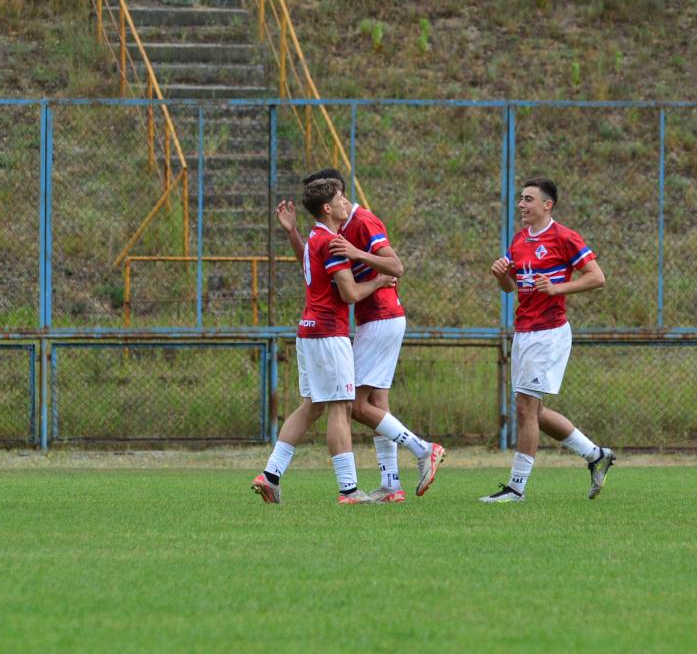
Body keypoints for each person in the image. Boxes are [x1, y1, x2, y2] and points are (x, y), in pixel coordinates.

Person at [275, 169, 445, 503]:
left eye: (336, 194)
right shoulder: (332, 229)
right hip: (371, 319)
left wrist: (357, 254)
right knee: (376, 404)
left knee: (352, 405)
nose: (340, 200)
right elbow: (312, 264)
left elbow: (395, 267)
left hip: (382, 316)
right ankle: (391, 484)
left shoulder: (362, 221)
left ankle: (424, 449)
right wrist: (293, 232)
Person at [250, 177, 396, 505]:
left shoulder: (315, 237)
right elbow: (350, 293)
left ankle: (270, 475)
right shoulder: (331, 242)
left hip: (308, 330)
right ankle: (349, 490)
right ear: (328, 208)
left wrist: (291, 231)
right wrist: (378, 282)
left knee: (312, 405)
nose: (347, 203)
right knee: (341, 406)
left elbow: (310, 267)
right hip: (329, 333)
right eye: (341, 198)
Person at [482, 178, 612, 503]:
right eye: (521, 199)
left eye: (528, 199)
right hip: (524, 332)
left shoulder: (564, 237)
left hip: (549, 332)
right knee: (533, 411)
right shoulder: (520, 239)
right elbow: (511, 288)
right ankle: (595, 454)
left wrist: (558, 288)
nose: (522, 204)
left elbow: (597, 277)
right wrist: (501, 275)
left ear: (547, 205)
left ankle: (516, 488)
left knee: (526, 407)